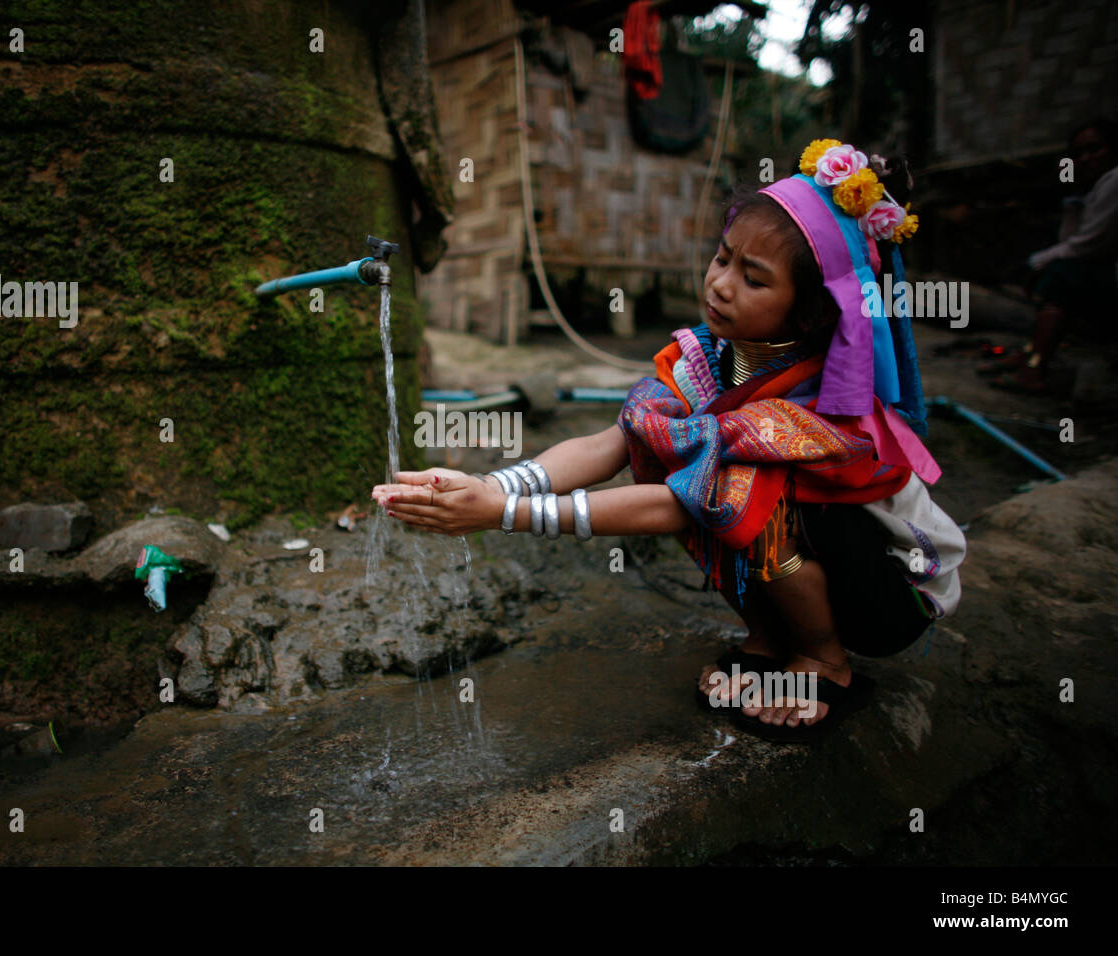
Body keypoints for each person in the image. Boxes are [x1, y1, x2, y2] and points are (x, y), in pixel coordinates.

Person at [372, 139, 965, 743]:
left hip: (889, 595)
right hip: (822, 568)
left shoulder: (822, 407)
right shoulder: (708, 361)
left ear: (813, 314)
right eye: (722, 258)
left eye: (753, 279)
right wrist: (493, 484)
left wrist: (503, 514)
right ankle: (770, 639)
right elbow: (612, 441)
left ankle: (823, 661)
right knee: (671, 452)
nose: (721, 285)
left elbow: (680, 505)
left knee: (737, 492)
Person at [982, 118, 1118, 392]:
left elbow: (1087, 244)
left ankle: (1034, 366)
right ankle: (1032, 351)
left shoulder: (1114, 181)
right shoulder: (1096, 187)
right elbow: (1070, 239)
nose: (1087, 159)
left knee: (1059, 278)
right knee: (1058, 274)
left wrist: (1037, 262)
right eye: (1078, 154)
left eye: (1095, 150)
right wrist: (1074, 191)